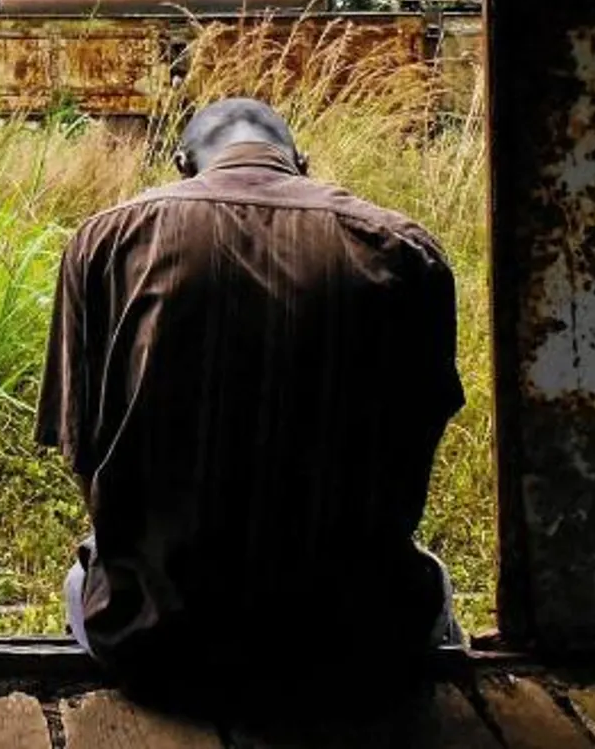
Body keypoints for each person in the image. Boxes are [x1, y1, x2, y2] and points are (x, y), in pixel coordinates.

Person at [39, 97, 466, 701]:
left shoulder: (106, 239)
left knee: (80, 580)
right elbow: (415, 446)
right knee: (430, 591)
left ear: (182, 163)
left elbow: (82, 450)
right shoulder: (404, 248)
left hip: (153, 643)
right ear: (302, 161)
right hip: (362, 643)